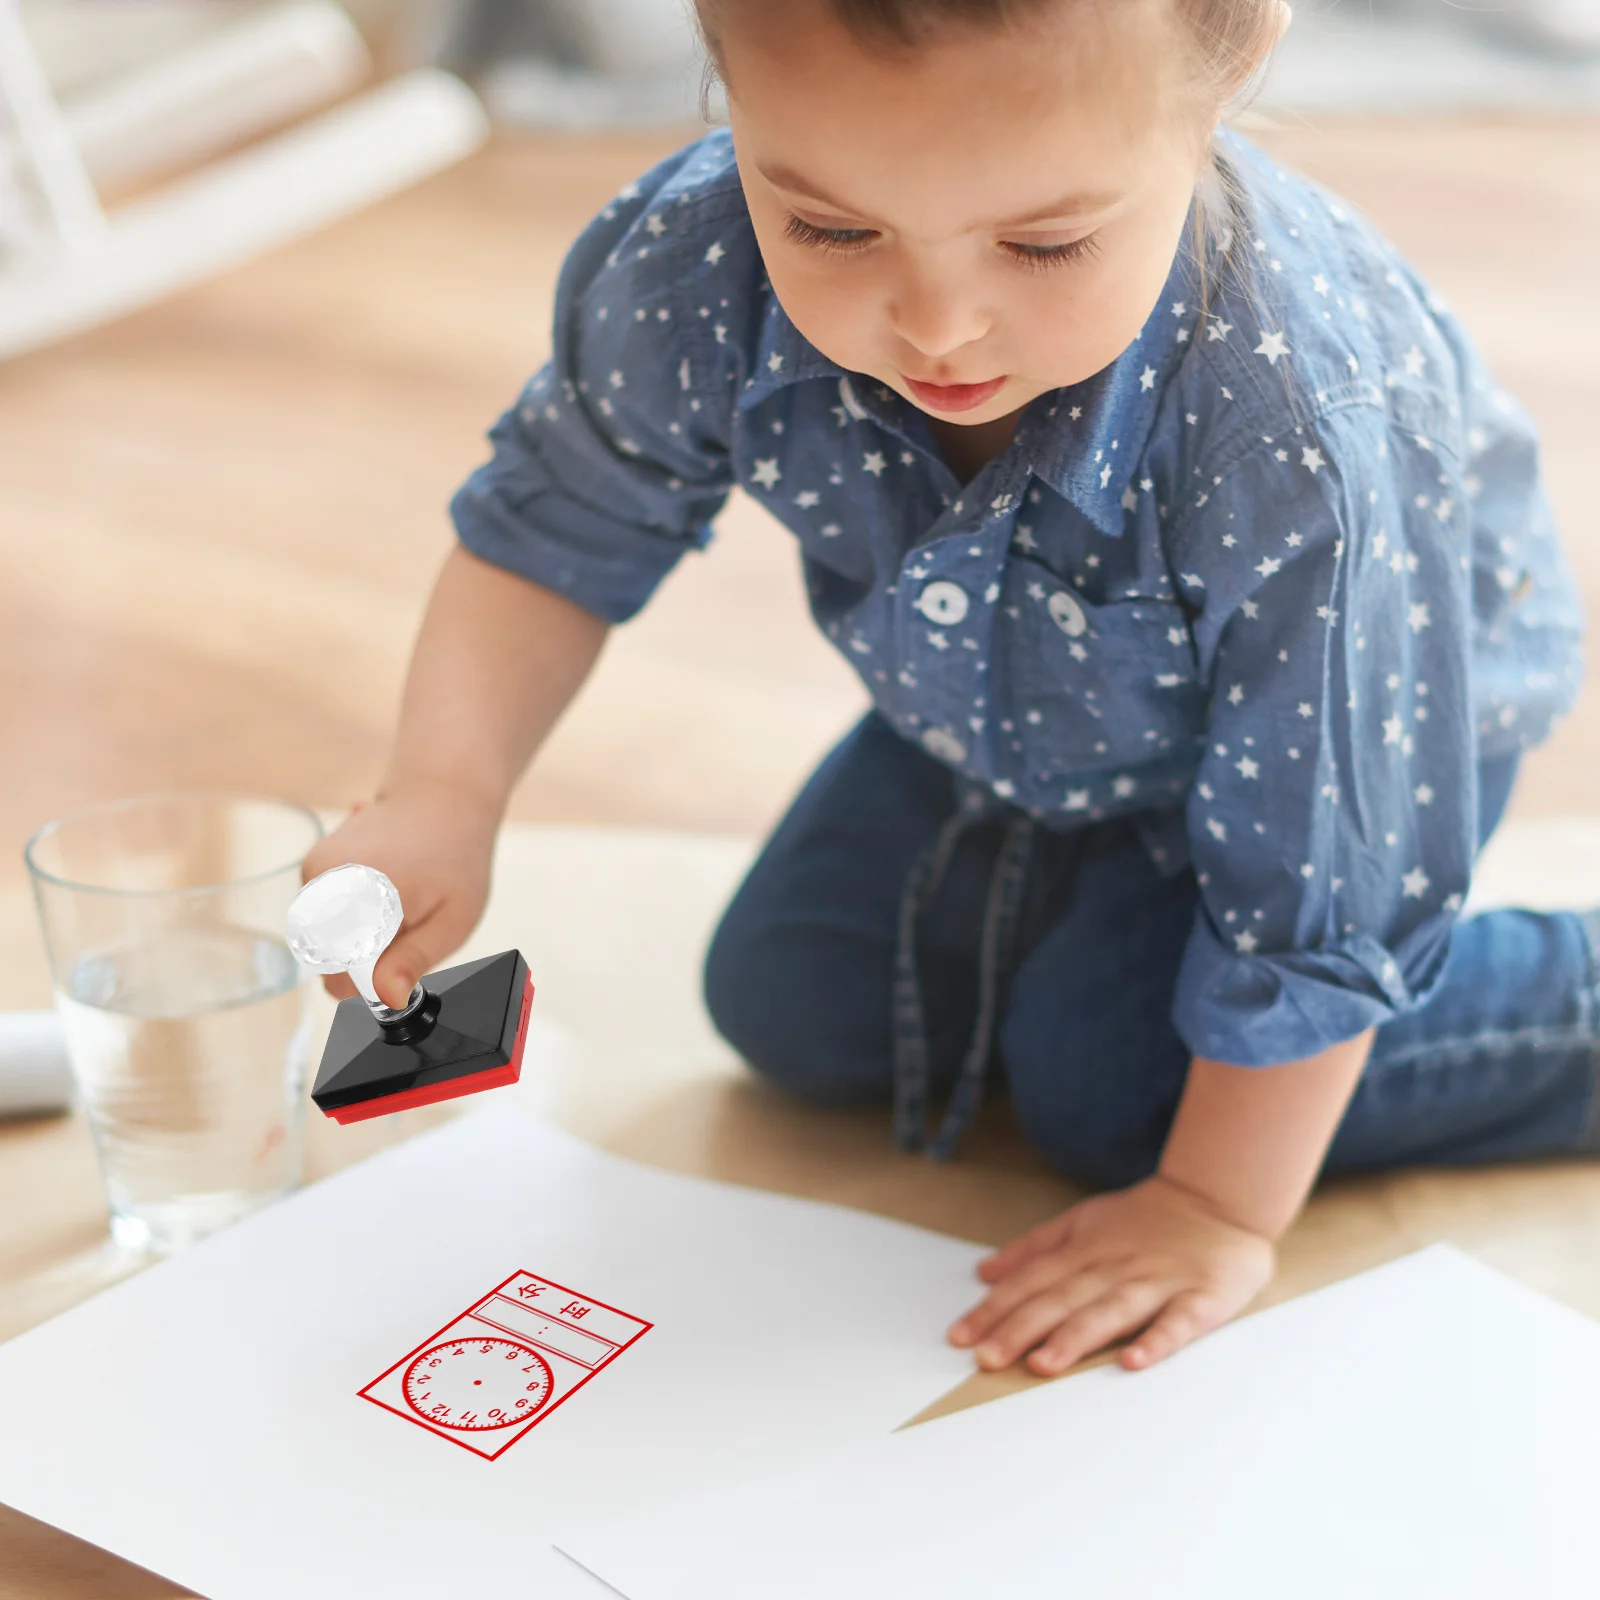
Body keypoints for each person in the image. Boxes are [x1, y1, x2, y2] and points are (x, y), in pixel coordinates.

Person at [304, 0, 1589, 1380]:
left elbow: (1337, 852)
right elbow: (559, 524)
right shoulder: (693, 254)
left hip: (1345, 748)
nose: (937, 324)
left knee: (1114, 1096)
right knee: (786, 1001)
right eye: (831, 229)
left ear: (1231, 69)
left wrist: (1216, 1207)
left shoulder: (1301, 432)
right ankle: (1081, 912)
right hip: (1006, 712)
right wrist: (448, 786)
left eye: (1045, 243)